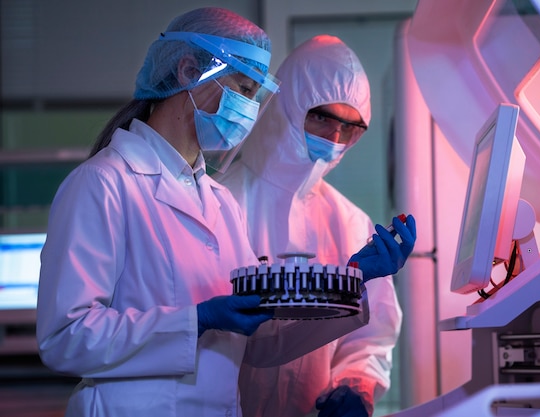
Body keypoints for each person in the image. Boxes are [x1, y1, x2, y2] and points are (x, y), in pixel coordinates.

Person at [36, 9, 415, 417]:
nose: (250, 110)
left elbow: (262, 342)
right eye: (243, 89)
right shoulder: (104, 183)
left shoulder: (218, 202)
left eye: (255, 95)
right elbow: (64, 337)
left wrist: (350, 282)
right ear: (186, 71)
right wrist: (195, 321)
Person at [216, 35, 415, 417]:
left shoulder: (351, 222)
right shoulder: (218, 202)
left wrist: (354, 387)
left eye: (352, 128)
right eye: (323, 118)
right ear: (288, 104)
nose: (337, 140)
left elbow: (369, 342)